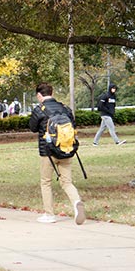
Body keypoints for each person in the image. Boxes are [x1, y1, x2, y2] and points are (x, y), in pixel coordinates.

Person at [28, 82, 86, 225]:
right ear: (52, 93)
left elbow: (33, 128)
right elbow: (73, 125)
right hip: (66, 150)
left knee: (46, 182)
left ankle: (49, 214)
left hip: (48, 152)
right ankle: (76, 202)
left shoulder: (39, 110)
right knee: (67, 182)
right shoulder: (65, 108)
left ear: (39, 95)